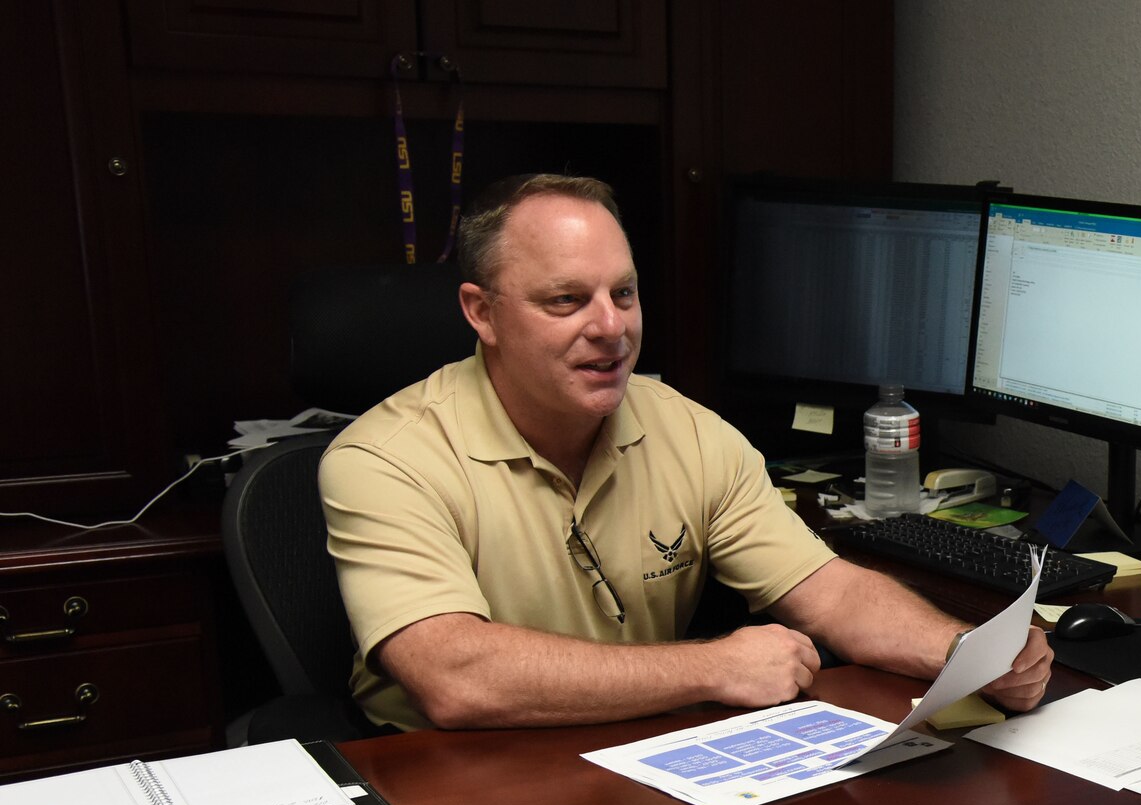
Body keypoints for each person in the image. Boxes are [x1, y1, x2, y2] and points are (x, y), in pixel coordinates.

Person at [321, 174, 1052, 731]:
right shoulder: (385, 459)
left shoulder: (691, 432)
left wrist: (971, 652)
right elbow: (456, 678)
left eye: (625, 294)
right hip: (451, 783)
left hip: (641, 754)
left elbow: (829, 592)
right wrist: (714, 665)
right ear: (482, 312)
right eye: (566, 301)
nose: (612, 328)